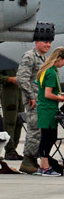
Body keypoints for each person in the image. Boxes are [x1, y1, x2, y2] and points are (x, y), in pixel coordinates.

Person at [11, 35, 52, 173]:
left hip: (41, 100)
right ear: (37, 42)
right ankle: (28, 161)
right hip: (33, 100)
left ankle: (37, 160)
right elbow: (22, 78)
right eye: (46, 42)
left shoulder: (43, 58)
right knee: (35, 129)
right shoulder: (30, 56)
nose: (49, 45)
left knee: (40, 130)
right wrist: (30, 96)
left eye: (50, 42)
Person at [33, 47, 64, 176]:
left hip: (44, 109)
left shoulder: (46, 71)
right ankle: (45, 166)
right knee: (49, 138)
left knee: (47, 137)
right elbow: (48, 94)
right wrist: (61, 98)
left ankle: (42, 166)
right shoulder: (51, 73)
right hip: (48, 109)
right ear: (59, 59)